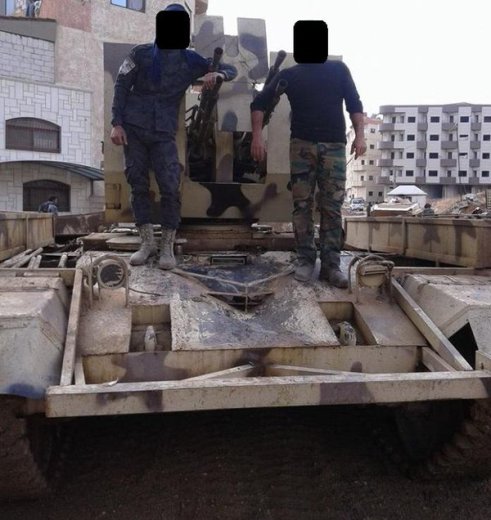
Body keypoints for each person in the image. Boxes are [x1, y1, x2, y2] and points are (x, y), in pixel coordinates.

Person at [111, 3, 237, 269]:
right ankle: (147, 243)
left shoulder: (190, 60)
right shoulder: (141, 54)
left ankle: (167, 246)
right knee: (138, 184)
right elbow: (121, 86)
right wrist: (116, 123)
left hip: (163, 133)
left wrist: (218, 73)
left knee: (170, 185)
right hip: (134, 129)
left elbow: (231, 70)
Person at [250, 55, 366, 288]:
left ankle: (331, 265)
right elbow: (259, 103)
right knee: (302, 205)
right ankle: (305, 259)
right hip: (302, 146)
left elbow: (354, 103)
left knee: (332, 206)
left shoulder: (338, 70)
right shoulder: (290, 74)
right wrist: (256, 137)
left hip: (334, 145)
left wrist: (360, 135)